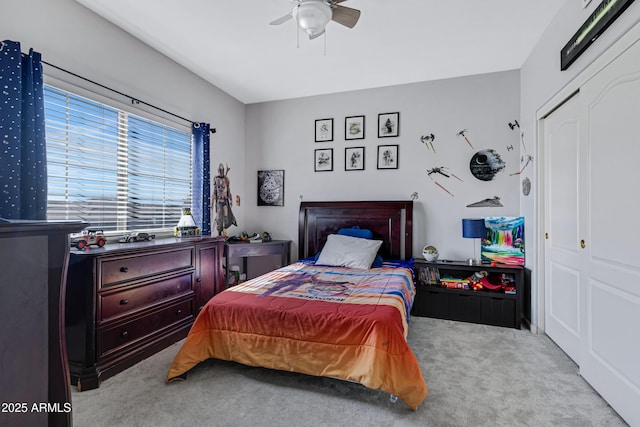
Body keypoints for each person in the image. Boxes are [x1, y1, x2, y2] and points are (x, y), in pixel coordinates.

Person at [212, 163, 237, 236]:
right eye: (220, 170)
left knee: (226, 216)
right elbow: (215, 191)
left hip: (225, 201)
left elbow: (228, 190)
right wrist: (212, 201)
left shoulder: (226, 179)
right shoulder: (216, 179)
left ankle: (224, 232)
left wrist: (231, 199)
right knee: (219, 217)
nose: (221, 171)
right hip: (219, 201)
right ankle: (219, 233)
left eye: (222, 170)